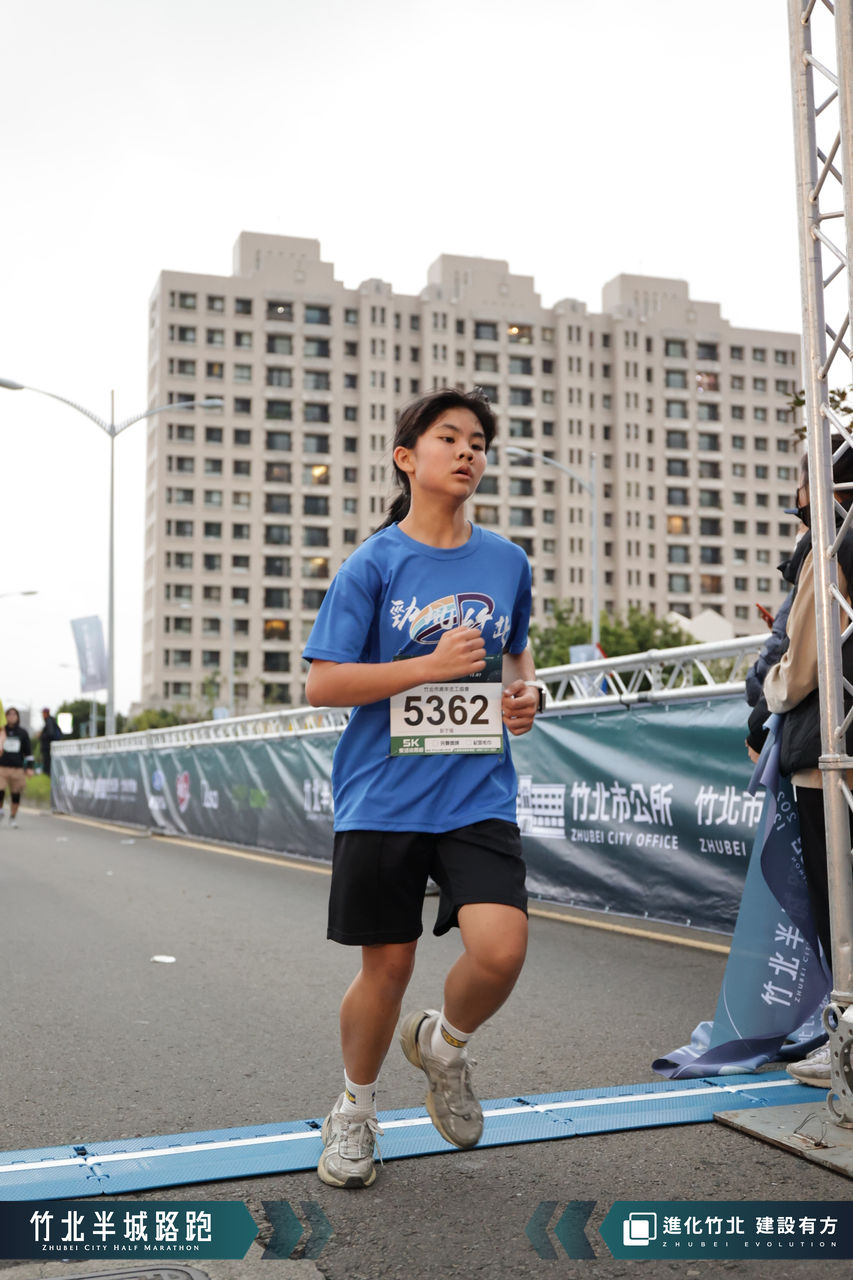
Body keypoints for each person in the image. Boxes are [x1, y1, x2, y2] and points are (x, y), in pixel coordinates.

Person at [302, 387, 543, 1189]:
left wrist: (526, 696)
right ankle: (354, 1110)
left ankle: (442, 1046)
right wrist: (425, 667)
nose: (468, 450)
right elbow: (323, 684)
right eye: (450, 437)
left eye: (478, 441)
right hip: (384, 794)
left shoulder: (507, 562)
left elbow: (516, 655)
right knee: (388, 968)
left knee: (501, 950)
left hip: (476, 790)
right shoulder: (373, 563)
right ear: (407, 458)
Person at [762, 441, 853, 1087]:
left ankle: (847, 1038)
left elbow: (800, 666)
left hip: (830, 752)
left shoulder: (829, 545)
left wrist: (768, 694)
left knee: (838, 905)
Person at [0, 707, 35, 828]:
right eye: (9, 714)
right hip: (2, 767)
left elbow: (28, 752)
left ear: (18, 717)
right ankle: (1, 810)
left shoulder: (22, 733)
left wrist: (29, 767)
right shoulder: (1, 731)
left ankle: (13, 817)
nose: (11, 717)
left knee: (16, 795)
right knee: (0, 790)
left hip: (17, 768)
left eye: (14, 714)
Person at [39, 707, 63, 777]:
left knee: (48, 761)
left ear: (46, 713)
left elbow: (50, 733)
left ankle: (48, 774)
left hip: (48, 746)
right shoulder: (51, 720)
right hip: (49, 746)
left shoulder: (49, 721)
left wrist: (42, 736)